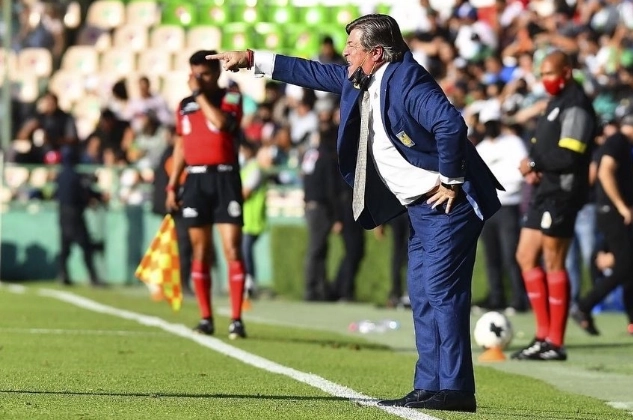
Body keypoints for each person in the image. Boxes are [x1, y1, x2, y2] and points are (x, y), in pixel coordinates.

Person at [207, 13, 502, 413]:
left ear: (376, 53)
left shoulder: (407, 80)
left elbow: (451, 124)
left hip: (449, 203)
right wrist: (252, 57)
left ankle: (456, 389)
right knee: (420, 293)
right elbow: (311, 72)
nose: (345, 54)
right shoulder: (364, 76)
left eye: (353, 48)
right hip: (419, 208)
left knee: (441, 292)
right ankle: (430, 383)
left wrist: (450, 180)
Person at [512, 51, 597, 361]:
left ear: (567, 71)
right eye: (542, 74)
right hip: (544, 190)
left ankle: (555, 343)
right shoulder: (556, 103)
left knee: (554, 261)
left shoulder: (577, 106)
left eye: (550, 74)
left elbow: (571, 155)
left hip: (563, 194)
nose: (545, 80)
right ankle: (541, 335)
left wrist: (536, 161)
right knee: (524, 256)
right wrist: (538, 168)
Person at [165, 50, 248, 340]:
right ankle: (206, 317)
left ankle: (236, 319)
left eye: (205, 74)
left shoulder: (232, 97)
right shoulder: (184, 106)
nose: (199, 79)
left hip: (225, 177)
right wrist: (172, 184)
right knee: (200, 250)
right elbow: (181, 145)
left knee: (232, 249)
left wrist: (198, 94)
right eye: (195, 74)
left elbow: (221, 124)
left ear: (217, 74)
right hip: (196, 181)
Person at [570, 114, 633, 336]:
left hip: (613, 213)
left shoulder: (622, 143)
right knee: (625, 266)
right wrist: (622, 206)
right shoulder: (618, 141)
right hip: (613, 212)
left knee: (628, 268)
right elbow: (604, 173)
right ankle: (584, 305)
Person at [474, 102, 529, 313]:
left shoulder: (513, 143)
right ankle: (496, 297)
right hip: (488, 208)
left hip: (508, 206)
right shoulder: (481, 148)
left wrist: (501, 187)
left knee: (511, 254)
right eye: (487, 124)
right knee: (492, 256)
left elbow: (519, 173)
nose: (490, 127)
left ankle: (518, 299)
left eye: (493, 123)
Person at [55, 145, 106, 287]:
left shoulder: (60, 176)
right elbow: (84, 192)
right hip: (75, 215)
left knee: (65, 248)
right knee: (85, 247)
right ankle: (93, 278)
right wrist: (98, 197)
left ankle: (63, 275)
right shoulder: (76, 176)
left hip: (62, 215)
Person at [152, 131, 194, 297]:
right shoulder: (172, 155)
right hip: (176, 206)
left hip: (171, 206)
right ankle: (179, 282)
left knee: (175, 244)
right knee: (181, 245)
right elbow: (179, 177)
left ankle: (166, 282)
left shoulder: (167, 154)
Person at [239, 140, 268, 299]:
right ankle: (246, 281)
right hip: (245, 218)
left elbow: (246, 192)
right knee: (243, 251)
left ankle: (250, 282)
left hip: (252, 219)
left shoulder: (255, 169)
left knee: (246, 250)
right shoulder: (246, 168)